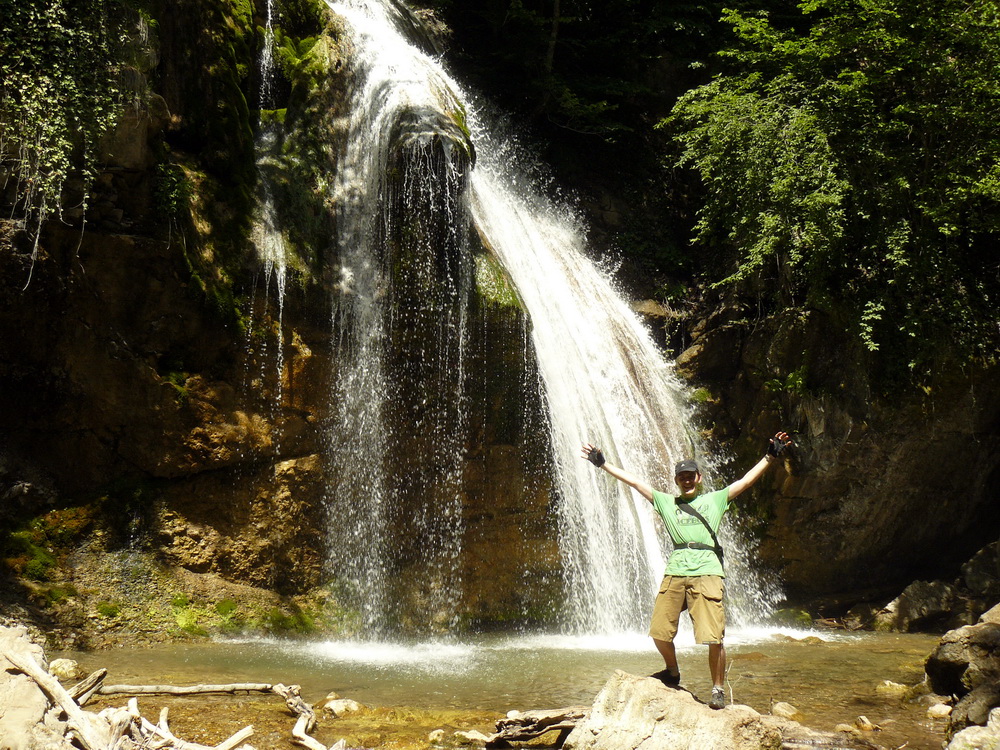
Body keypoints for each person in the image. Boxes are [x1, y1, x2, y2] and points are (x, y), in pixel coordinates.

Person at [580, 431, 792, 710]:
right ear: (676, 481)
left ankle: (717, 689)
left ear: (699, 478)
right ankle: (672, 671)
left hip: (707, 571)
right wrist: (603, 464)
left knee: (713, 636)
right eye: (682, 477)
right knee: (659, 631)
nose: (687, 480)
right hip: (676, 571)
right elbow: (635, 482)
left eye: (691, 475)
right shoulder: (667, 503)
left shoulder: (714, 500)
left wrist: (770, 456)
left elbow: (745, 481)